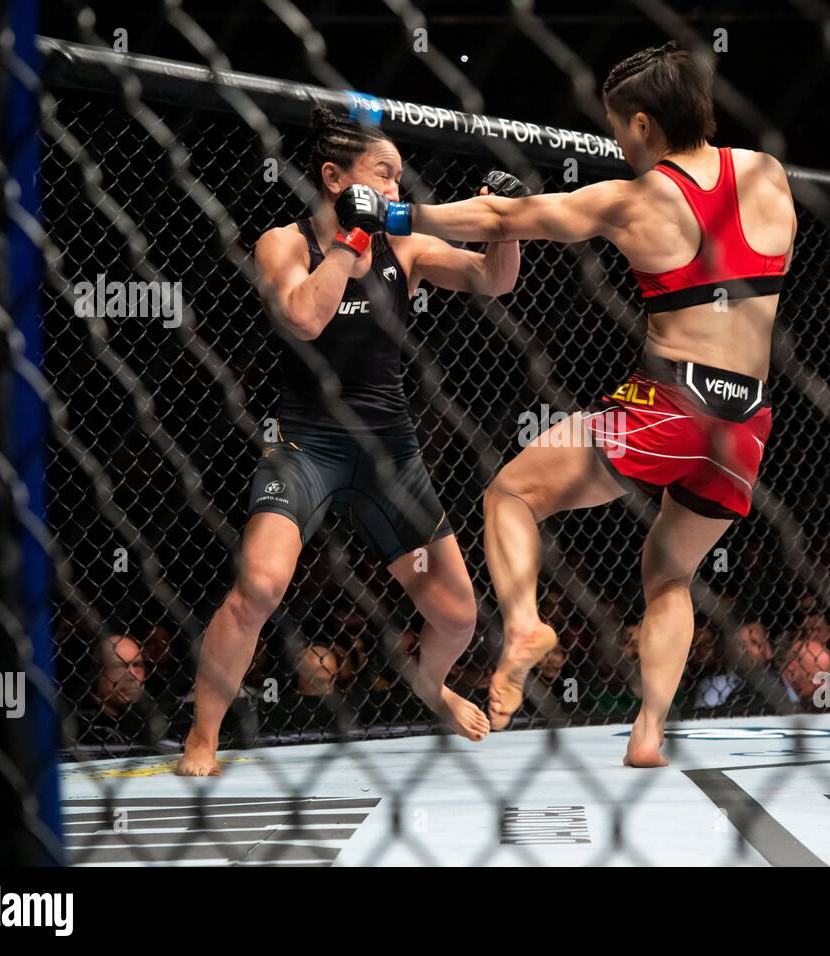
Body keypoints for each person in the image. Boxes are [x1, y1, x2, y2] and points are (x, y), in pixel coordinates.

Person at [339, 41, 795, 766]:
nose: (616, 140)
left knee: (511, 496)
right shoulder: (768, 174)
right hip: (749, 420)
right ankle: (648, 735)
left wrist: (395, 220)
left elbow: (500, 217)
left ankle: (523, 624)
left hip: (675, 400)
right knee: (670, 572)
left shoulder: (635, 199)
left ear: (643, 124)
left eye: (619, 127)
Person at [177, 108, 527, 774]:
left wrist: (505, 223)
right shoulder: (282, 243)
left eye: (400, 178)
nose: (397, 189)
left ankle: (432, 685)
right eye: (384, 175)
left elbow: (493, 278)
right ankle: (203, 737)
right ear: (334, 177)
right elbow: (306, 319)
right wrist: (349, 237)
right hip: (306, 446)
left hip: (389, 451)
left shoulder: (410, 246)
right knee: (257, 587)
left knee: (456, 617)